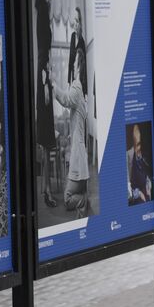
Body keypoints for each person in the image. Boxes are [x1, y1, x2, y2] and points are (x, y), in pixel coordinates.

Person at [54, 49, 90, 217]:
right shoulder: (80, 90)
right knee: (72, 193)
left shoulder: (77, 86)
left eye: (74, 60)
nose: (72, 63)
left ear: (78, 66)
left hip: (78, 158)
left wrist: (53, 84)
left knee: (68, 199)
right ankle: (84, 197)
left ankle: (84, 200)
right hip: (79, 158)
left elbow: (66, 99)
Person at [35, 0, 57, 208]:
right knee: (47, 138)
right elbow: (43, 55)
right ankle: (47, 191)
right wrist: (45, 85)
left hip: (45, 77)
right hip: (43, 80)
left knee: (46, 139)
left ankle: (46, 190)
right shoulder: (42, 10)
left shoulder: (46, 15)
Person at [127, 124, 152, 205]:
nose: (139, 149)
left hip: (145, 192)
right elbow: (126, 192)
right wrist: (138, 194)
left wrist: (148, 183)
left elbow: (146, 174)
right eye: (137, 145)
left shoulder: (141, 154)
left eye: (140, 144)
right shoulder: (127, 157)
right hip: (136, 198)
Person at [68, 7, 88, 98]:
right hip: (73, 78)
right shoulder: (72, 37)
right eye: (74, 20)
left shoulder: (82, 42)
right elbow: (70, 60)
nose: (74, 24)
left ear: (80, 23)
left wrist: (86, 91)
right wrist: (68, 81)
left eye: (76, 21)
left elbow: (84, 67)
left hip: (80, 81)